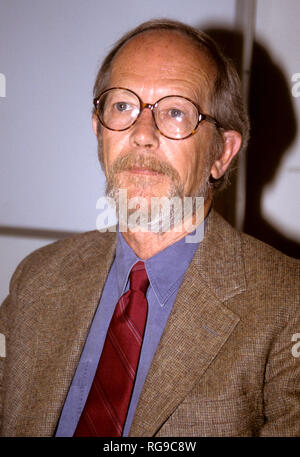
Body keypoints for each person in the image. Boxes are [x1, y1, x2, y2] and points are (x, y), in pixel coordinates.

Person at [0, 19, 299, 438]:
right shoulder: (36, 278)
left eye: (175, 112)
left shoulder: (288, 303)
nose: (142, 134)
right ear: (98, 129)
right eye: (123, 106)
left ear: (222, 153)